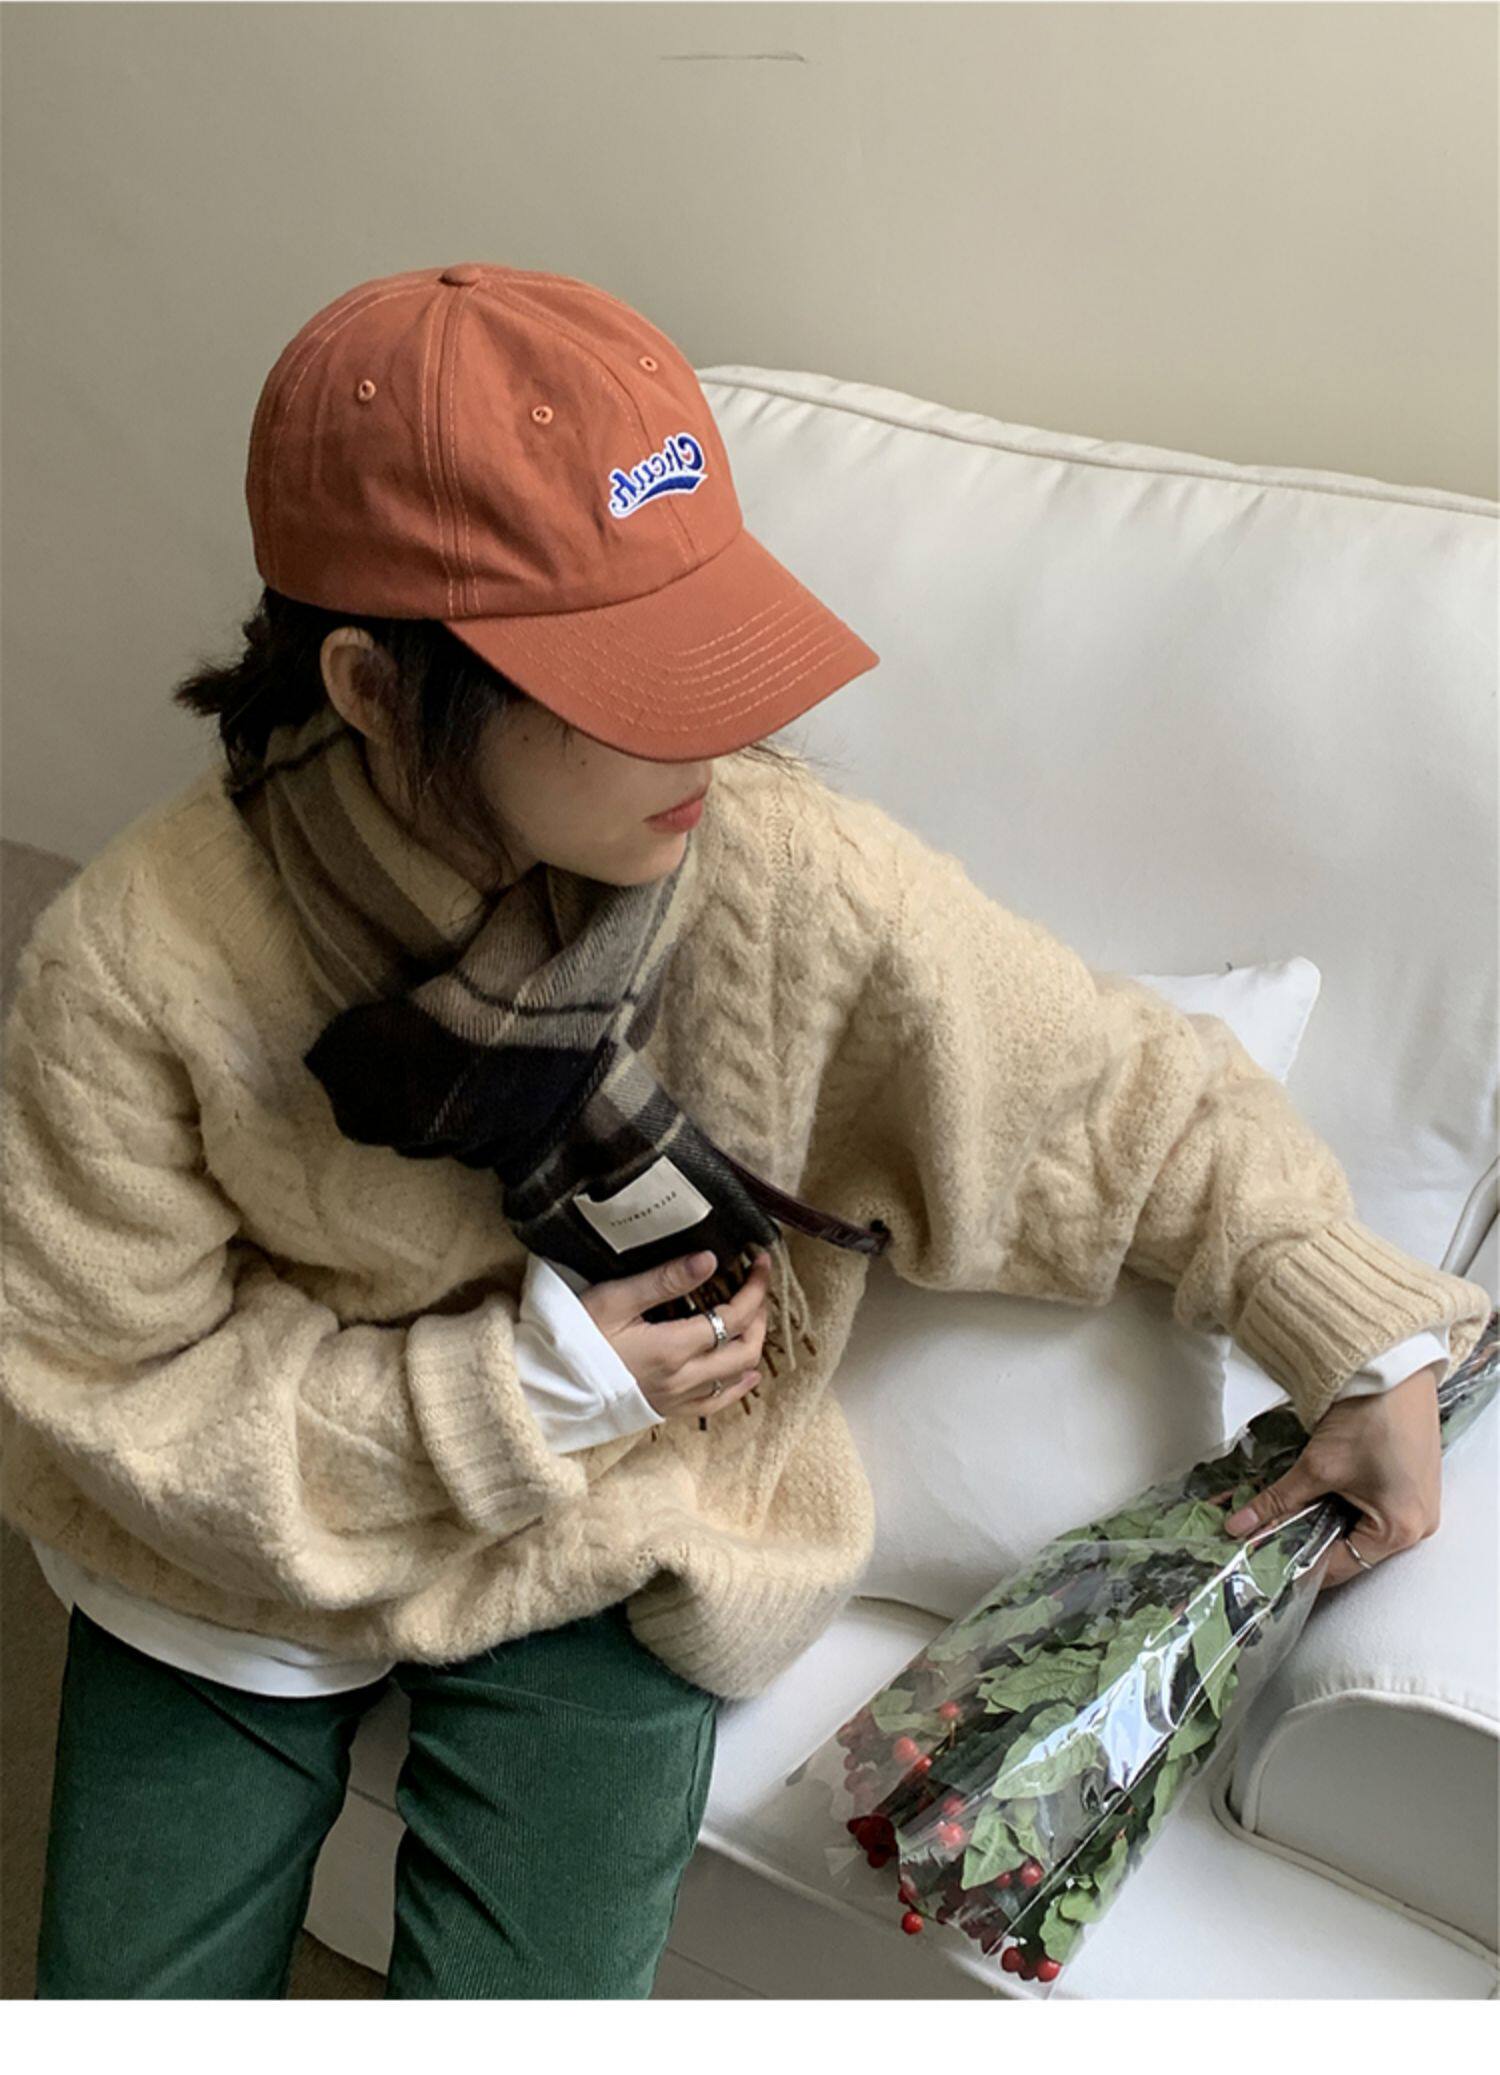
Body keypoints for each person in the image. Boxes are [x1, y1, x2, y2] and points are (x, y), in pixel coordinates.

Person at [2, 263, 1489, 2001]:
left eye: (709, 643)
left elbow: (1114, 1093)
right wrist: (530, 1386)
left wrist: (1361, 1343)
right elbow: (110, 1387)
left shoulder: (773, 871)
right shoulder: (136, 960)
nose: (711, 726)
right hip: (232, 1560)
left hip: (619, 1537)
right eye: (627, 681)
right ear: (374, 684)